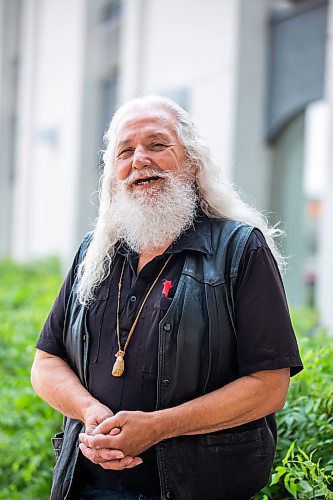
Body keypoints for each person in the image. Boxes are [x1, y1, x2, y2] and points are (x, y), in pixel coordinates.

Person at [31, 95, 303, 500]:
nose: (140, 159)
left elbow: (269, 386)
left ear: (191, 163)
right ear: (113, 175)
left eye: (157, 145)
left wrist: (159, 426)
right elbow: (46, 363)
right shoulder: (94, 252)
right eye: (125, 151)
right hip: (84, 485)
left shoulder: (241, 248)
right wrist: (90, 413)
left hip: (199, 487)